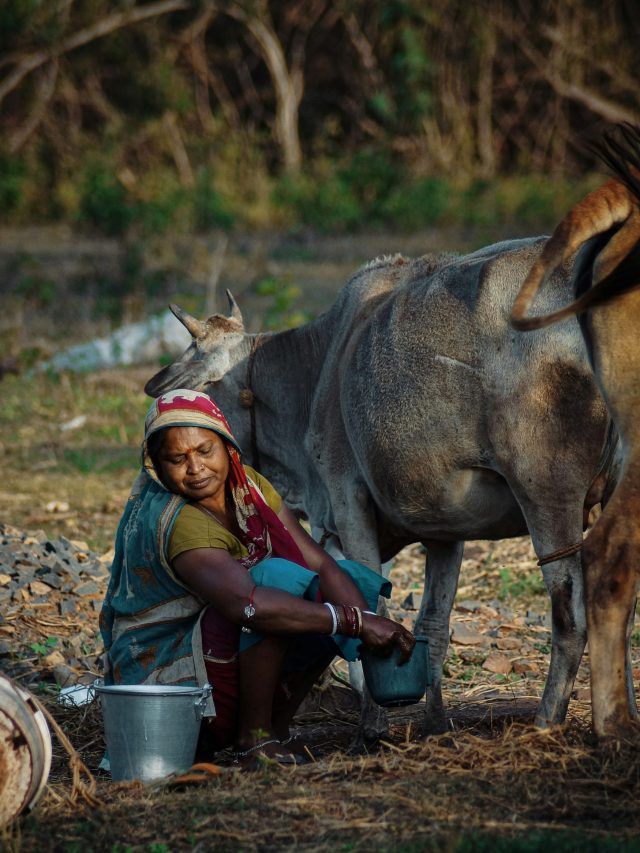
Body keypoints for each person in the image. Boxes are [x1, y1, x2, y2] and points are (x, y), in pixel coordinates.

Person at [100, 389, 416, 768]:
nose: (196, 468)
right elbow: (248, 605)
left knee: (343, 579)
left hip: (219, 656)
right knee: (277, 582)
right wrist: (357, 623)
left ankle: (275, 729)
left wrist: (367, 631)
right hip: (175, 690)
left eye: (204, 450)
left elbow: (320, 564)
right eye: (177, 459)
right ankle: (253, 739)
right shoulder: (179, 520)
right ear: (156, 466)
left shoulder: (247, 486)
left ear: (227, 446)